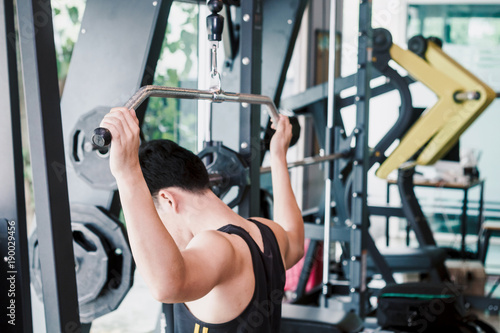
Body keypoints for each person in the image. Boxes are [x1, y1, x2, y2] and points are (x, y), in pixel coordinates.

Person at [100, 107, 304, 332]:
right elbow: (295, 240)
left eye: (155, 216)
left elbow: (166, 286)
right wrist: (278, 157)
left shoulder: (218, 246)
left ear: (168, 200)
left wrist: (128, 173)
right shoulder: (267, 232)